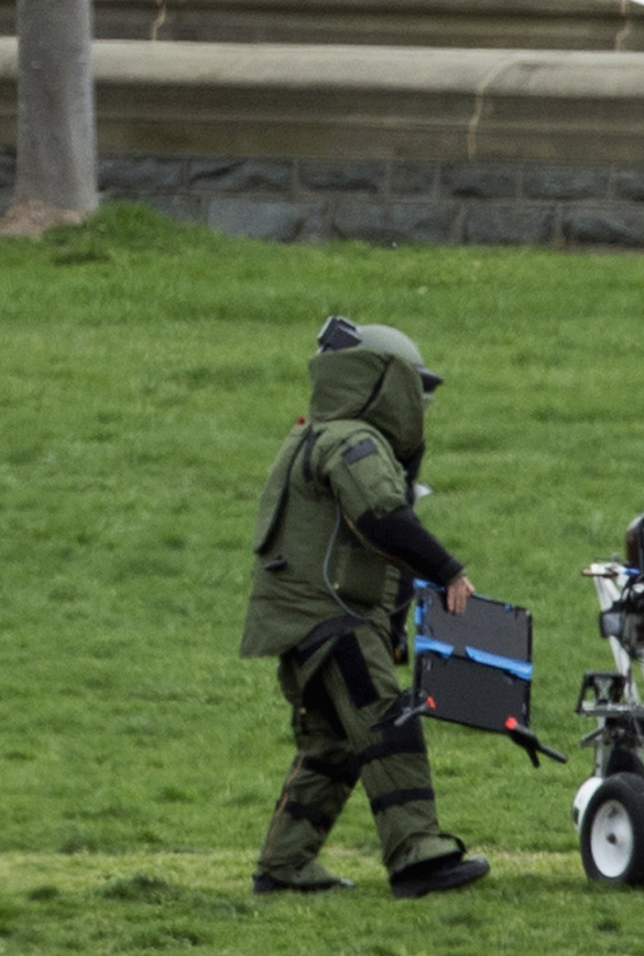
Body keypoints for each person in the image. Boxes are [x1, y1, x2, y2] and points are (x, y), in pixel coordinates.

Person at [240, 316, 489, 899]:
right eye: (417, 391)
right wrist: (448, 571)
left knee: (331, 745)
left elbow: (370, 540)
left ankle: (284, 867)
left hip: (306, 620)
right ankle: (417, 854)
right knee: (388, 724)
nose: (421, 406)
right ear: (382, 382)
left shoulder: (318, 435)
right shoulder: (355, 442)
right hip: (334, 619)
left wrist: (393, 624)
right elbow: (382, 520)